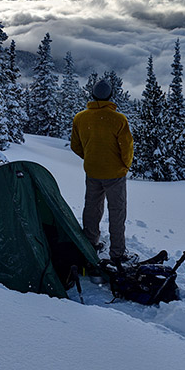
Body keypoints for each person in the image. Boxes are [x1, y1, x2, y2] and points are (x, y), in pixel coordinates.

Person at [70, 79, 134, 262]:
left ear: (92, 95)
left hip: (92, 172)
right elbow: (127, 148)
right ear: (110, 96)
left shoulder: (80, 118)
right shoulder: (119, 120)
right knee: (117, 212)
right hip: (115, 174)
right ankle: (118, 253)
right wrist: (124, 166)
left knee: (91, 209)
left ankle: (90, 244)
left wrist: (91, 157)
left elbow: (76, 146)